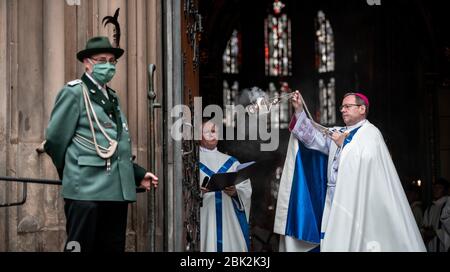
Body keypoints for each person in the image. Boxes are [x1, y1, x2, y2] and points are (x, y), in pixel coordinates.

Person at [44, 36, 158, 252]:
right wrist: (71, 171)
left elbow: (115, 145)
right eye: (102, 60)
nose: (108, 65)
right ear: (87, 62)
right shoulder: (74, 92)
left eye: (112, 61)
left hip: (115, 193)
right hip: (86, 191)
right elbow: (55, 141)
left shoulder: (112, 97)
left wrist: (137, 174)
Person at [274, 91, 426, 252]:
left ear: (362, 109)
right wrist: (299, 110)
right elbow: (313, 139)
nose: (342, 110)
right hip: (334, 199)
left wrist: (343, 145)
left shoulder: (371, 134)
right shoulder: (339, 132)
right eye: (342, 107)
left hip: (360, 200)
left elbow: (367, 162)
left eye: (347, 106)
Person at [199, 119, 252, 252]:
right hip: (205, 219)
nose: (212, 135)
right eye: (207, 132)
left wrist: (235, 192)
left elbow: (246, 189)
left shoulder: (232, 163)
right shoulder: (191, 163)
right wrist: (199, 192)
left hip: (230, 221)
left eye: (214, 131)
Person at [421, 178, 450, 252]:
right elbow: (424, 227)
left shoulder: (448, 206)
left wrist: (436, 232)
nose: (436, 190)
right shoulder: (429, 208)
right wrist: (425, 233)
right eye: (434, 187)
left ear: (445, 190)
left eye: (439, 188)